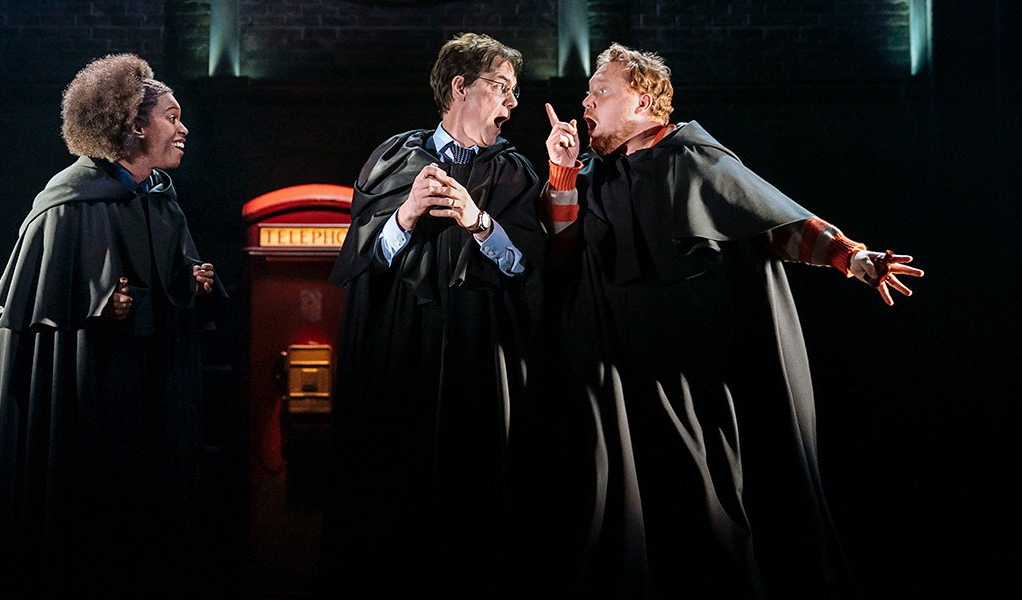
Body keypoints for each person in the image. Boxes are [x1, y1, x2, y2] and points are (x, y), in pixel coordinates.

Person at [527, 44, 924, 598]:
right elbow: (564, 255)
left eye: (600, 92)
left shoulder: (693, 157)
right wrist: (563, 172)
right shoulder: (597, 173)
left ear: (642, 101)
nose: (586, 102)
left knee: (705, 498)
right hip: (623, 370)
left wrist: (848, 256)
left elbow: (770, 218)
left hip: (696, 369)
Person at [0, 54, 224, 597]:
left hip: (149, 403)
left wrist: (193, 287)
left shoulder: (162, 203)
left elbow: (174, 289)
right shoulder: (68, 204)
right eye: (172, 116)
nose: (183, 127)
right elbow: (45, 315)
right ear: (135, 125)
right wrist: (97, 310)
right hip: (86, 405)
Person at [320, 32, 546, 597]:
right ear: (459, 88)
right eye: (501, 88)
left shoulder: (515, 172)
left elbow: (530, 270)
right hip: (402, 353)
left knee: (478, 498)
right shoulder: (396, 158)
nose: (511, 103)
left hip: (481, 355)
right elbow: (363, 259)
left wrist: (479, 221)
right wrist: (408, 213)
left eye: (514, 91)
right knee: (397, 494)